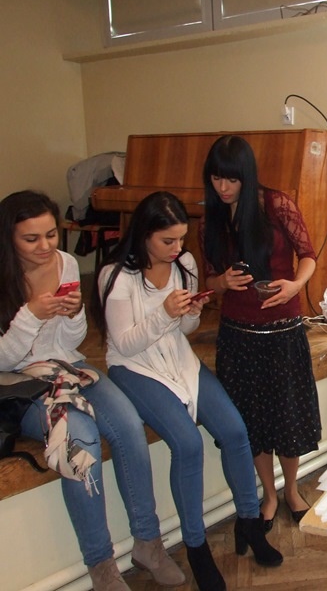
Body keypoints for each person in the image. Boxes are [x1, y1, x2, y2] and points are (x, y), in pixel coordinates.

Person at [92, 191, 282, 591]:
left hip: (178, 359)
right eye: (168, 241)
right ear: (144, 234)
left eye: (181, 238)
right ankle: (197, 547)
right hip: (135, 367)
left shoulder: (185, 263)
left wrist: (189, 315)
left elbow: (186, 330)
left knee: (235, 431)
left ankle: (249, 523)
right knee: (188, 444)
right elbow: (125, 344)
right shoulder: (116, 275)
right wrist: (165, 313)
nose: (177, 248)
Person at [0, 190, 184, 591]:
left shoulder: (65, 263)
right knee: (80, 443)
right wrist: (30, 316)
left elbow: (73, 340)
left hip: (69, 365)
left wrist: (73, 314)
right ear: (8, 237)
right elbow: (3, 360)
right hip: (21, 382)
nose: (45, 246)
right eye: (31, 239)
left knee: (129, 425)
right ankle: (102, 566)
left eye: (51, 234)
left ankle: (148, 543)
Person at [200, 135, 321, 531]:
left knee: (287, 417)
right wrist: (221, 283)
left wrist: (295, 285)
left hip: (283, 330)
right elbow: (208, 280)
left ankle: (292, 490)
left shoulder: (276, 204)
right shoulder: (210, 219)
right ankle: (269, 494)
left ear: (246, 176)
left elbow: (308, 255)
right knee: (252, 421)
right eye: (216, 178)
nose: (223, 187)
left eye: (231, 179)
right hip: (238, 335)